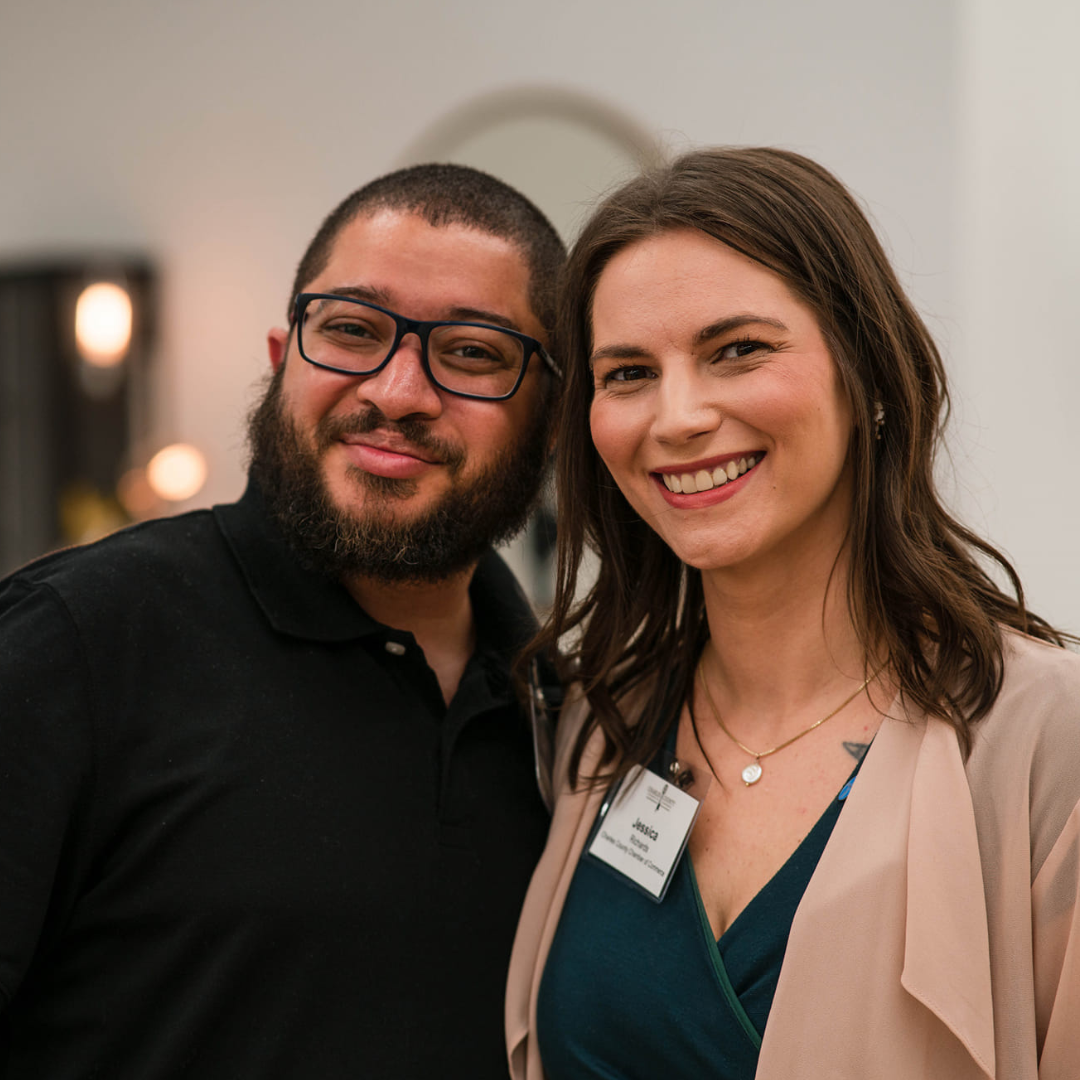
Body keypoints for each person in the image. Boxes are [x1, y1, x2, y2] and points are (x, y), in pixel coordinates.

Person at [506, 147, 1080, 1079]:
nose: (679, 416)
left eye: (738, 350)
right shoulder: (597, 728)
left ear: (869, 375)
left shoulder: (1045, 738)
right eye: (627, 373)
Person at [0, 163, 565, 1078]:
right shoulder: (76, 641)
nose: (398, 391)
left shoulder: (564, 715)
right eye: (350, 330)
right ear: (281, 359)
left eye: (469, 352)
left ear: (551, 424)